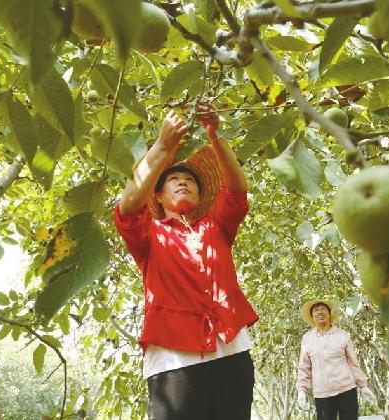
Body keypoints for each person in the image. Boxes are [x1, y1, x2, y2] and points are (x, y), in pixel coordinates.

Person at [113, 103, 259, 420]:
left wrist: (215, 135)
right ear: (158, 196)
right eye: (173, 179)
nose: (183, 181)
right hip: (173, 360)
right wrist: (162, 146)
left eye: (190, 179)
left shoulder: (215, 226)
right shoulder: (150, 235)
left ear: (200, 195)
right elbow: (127, 209)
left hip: (231, 351)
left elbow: (237, 191)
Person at [296, 299, 368, 420]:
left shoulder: (342, 335)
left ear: (329, 314)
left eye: (323, 309)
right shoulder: (307, 339)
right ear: (312, 316)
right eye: (316, 310)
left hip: (347, 389)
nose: (320, 312)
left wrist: (363, 385)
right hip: (322, 394)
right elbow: (304, 367)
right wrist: (301, 389)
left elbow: (353, 362)